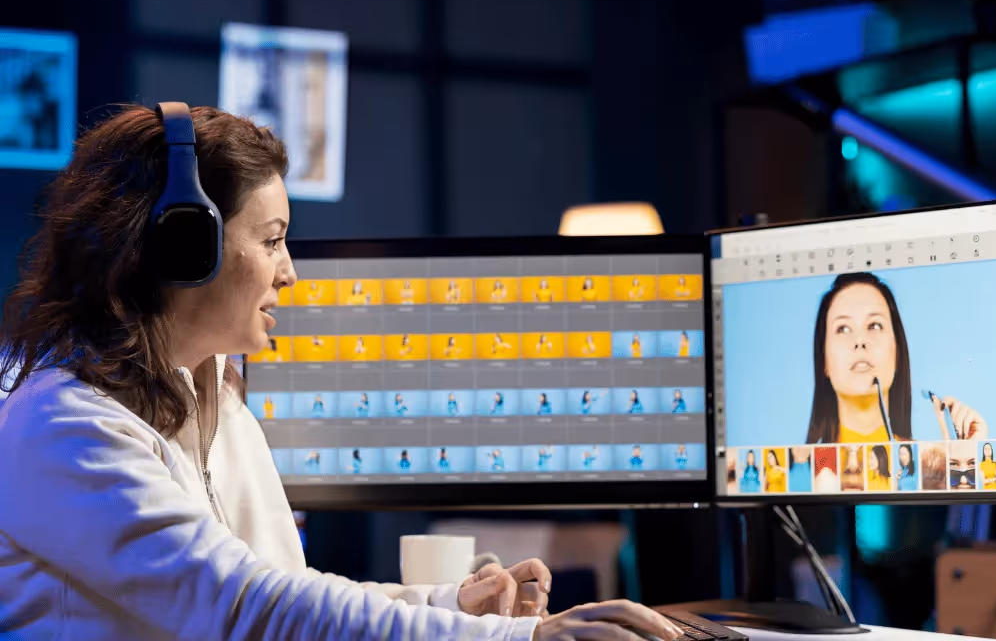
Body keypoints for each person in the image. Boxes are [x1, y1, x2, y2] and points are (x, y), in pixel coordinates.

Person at [0, 106, 682, 640]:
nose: (290, 272)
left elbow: (286, 590)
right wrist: (519, 638)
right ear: (183, 249)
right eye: (272, 240)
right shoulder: (65, 428)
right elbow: (247, 610)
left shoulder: (217, 400)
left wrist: (450, 605)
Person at [806, 272, 987, 445]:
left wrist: (966, 455)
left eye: (874, 325)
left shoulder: (930, 462)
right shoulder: (802, 465)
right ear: (824, 360)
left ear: (897, 352)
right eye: (843, 329)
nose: (860, 341)